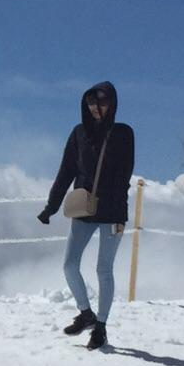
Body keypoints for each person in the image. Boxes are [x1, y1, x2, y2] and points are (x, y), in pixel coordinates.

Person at [37, 81, 134, 350]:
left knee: (104, 268)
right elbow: (66, 171)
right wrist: (51, 207)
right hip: (83, 209)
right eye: (91, 101)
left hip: (113, 211)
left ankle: (100, 326)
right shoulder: (79, 133)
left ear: (112, 103)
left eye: (101, 101)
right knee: (69, 264)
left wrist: (115, 207)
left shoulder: (123, 133)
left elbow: (124, 173)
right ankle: (86, 313)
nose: (96, 107)